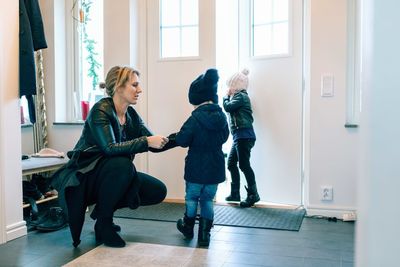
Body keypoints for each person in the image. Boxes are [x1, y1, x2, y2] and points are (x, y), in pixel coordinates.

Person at [51, 66, 171, 248]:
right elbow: (109, 148)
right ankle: (105, 224)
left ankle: (102, 215)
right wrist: (146, 141)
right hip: (86, 176)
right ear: (119, 87)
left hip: (111, 175)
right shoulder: (101, 110)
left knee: (157, 190)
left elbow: (154, 143)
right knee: (122, 165)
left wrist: (183, 137)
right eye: (135, 85)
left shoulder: (130, 114)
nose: (140, 90)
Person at [171, 69, 229, 246]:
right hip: (215, 168)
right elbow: (225, 137)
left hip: (195, 168)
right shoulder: (222, 117)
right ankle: (204, 235)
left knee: (191, 199)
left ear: (196, 100)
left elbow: (182, 140)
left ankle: (188, 228)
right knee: (207, 201)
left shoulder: (194, 118)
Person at [223, 68, 259, 208]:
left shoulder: (241, 96)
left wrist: (225, 97)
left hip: (244, 136)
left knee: (244, 165)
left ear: (236, 85)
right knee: (231, 163)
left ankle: (253, 195)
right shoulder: (239, 97)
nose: (229, 89)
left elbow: (228, 107)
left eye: (230, 86)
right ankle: (235, 193)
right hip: (240, 136)